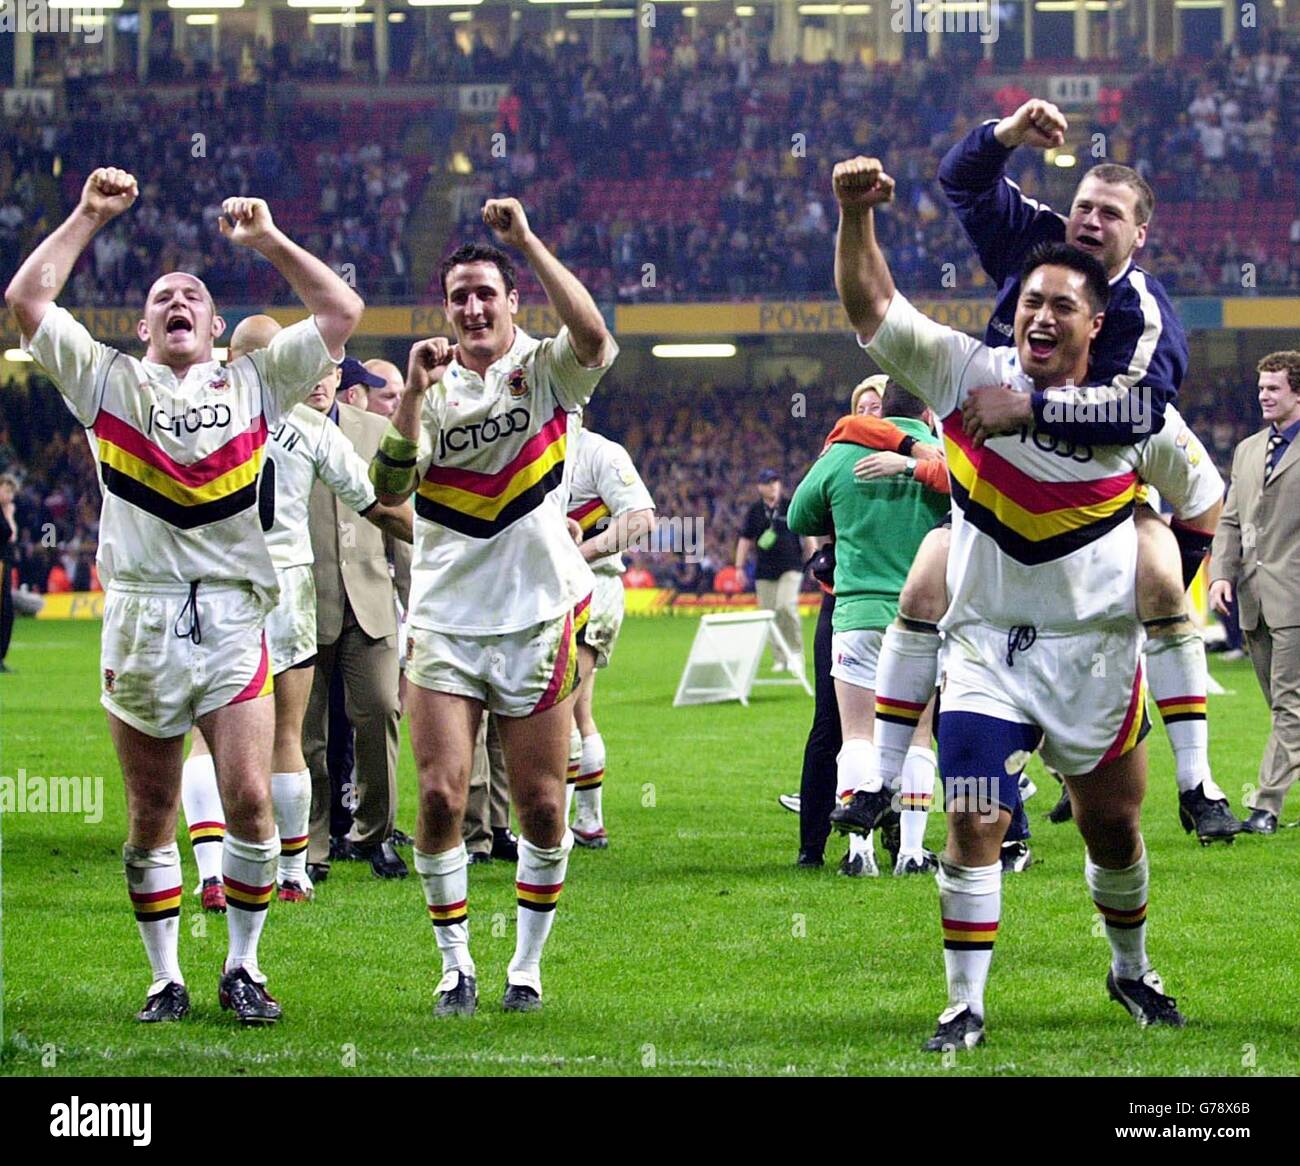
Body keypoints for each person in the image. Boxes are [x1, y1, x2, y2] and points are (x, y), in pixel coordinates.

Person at [833, 154, 1223, 1050]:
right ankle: (964, 1004)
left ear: (1097, 322)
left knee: (1114, 827)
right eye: (1030, 303)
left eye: (1062, 307)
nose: (1040, 317)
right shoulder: (966, 371)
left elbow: (1201, 500)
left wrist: (1162, 573)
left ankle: (1130, 972)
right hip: (986, 658)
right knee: (973, 814)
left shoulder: (1137, 415)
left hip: (1096, 658)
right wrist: (857, 217)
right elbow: (873, 312)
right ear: (1013, 310)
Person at [6, 167, 362, 1025]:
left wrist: (270, 239)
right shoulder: (107, 383)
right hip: (141, 616)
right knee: (152, 809)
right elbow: (26, 300)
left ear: (212, 328)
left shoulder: (253, 383)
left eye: (194, 296)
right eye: (164, 295)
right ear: (141, 327)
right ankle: (165, 977)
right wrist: (89, 215)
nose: (179, 302)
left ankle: (243, 967)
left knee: (245, 796)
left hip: (236, 614)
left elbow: (341, 313)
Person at [863, 97, 1236, 865]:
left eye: (1110, 214)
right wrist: (1006, 134)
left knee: (1163, 580)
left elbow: (1140, 411)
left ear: (1141, 233)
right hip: (998, 488)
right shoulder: (1042, 246)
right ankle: (880, 781)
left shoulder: (1144, 311)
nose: (1090, 223)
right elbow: (960, 183)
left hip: (1106, 493)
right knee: (924, 586)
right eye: (1083, 208)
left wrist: (1030, 407)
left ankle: (1197, 784)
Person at [371, 198, 617, 1018]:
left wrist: (528, 242)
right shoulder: (431, 389)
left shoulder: (546, 371)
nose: (472, 308)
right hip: (443, 622)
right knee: (440, 797)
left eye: (486, 292)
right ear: (445, 310)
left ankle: (526, 965)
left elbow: (595, 341)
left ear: (513, 301)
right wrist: (409, 392)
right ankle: (453, 967)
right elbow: (389, 488)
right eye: (459, 297)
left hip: (539, 618)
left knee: (544, 805)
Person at [180, 321, 412, 909]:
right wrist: (454, 538)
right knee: (288, 733)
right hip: (288, 585)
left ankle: (211, 872)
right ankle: (290, 871)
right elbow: (379, 505)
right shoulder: (310, 427)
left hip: (214, 586)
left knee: (208, 737)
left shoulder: (191, 418)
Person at [789, 380, 950, 877]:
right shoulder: (938, 459)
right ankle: (912, 853)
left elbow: (799, 515)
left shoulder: (843, 454)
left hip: (856, 614)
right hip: (921, 617)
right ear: (925, 412)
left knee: (854, 734)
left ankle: (858, 854)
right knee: (920, 734)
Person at [302, 356, 412, 884]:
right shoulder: (272, 430)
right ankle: (313, 843)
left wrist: (417, 604)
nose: (319, 381)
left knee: (382, 712)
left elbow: (401, 514)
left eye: (328, 372)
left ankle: (375, 834)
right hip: (300, 605)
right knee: (308, 736)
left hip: (371, 600)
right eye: (310, 370)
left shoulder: (376, 431)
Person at [1209, 352, 1300, 835]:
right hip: (1253, 598)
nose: (1263, 395)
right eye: (1261, 387)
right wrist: (1220, 573)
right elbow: (1229, 519)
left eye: (1273, 388)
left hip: (1295, 598)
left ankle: (1266, 807)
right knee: (1283, 706)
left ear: (1297, 393)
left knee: (1289, 706)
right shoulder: (1246, 450)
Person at [565, 425, 655, 847]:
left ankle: (551, 830)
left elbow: (640, 519)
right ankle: (587, 822)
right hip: (560, 591)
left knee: (558, 709)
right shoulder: (532, 445)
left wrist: (577, 554)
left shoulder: (598, 451)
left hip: (589, 591)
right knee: (580, 711)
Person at [735, 470, 813, 673]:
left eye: (775, 482)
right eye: (768, 483)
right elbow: (745, 540)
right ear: (759, 487)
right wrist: (739, 567)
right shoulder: (754, 511)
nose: (773, 486)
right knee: (769, 614)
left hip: (791, 565)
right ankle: (781, 657)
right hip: (765, 570)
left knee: (785, 606)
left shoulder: (790, 506)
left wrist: (811, 560)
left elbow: (807, 534)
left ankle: (796, 652)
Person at [0, 473, 16, 674]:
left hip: (6, 561)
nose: (10, 495)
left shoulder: (5, 511)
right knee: (3, 608)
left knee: (6, 610)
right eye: (7, 490)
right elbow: (10, 534)